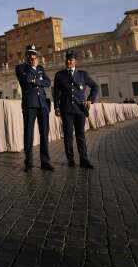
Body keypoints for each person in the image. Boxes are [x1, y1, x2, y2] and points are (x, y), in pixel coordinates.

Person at [53, 50, 98, 169]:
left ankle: (84, 159)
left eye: (71, 60)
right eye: (67, 60)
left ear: (75, 61)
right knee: (68, 135)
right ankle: (70, 160)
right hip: (66, 109)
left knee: (80, 134)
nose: (68, 62)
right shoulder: (59, 75)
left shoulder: (83, 74)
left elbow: (95, 86)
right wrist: (56, 107)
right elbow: (56, 92)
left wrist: (90, 100)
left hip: (80, 109)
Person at [15, 44, 54, 173]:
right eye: (30, 55)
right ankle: (29, 162)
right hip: (30, 105)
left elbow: (48, 82)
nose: (32, 57)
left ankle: (45, 161)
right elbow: (25, 80)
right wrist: (37, 79)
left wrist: (35, 80)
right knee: (29, 134)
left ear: (37, 57)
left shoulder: (41, 68)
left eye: (34, 55)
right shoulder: (21, 68)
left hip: (42, 104)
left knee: (44, 133)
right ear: (26, 56)